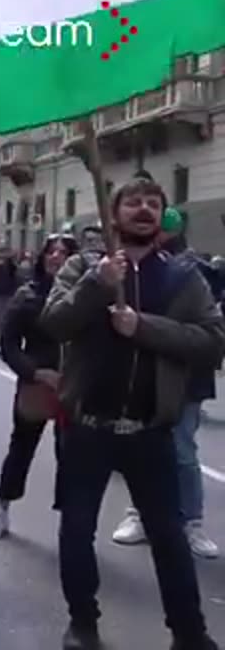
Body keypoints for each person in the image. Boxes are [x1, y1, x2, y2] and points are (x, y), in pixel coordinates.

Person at [41, 177, 224, 650]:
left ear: (162, 215)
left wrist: (143, 327)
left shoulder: (185, 278)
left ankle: (189, 633)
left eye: (153, 203)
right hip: (87, 427)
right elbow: (55, 322)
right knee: (78, 529)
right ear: (114, 213)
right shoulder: (84, 266)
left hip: (151, 431)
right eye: (133, 202)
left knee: (168, 537)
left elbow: (211, 341)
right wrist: (97, 285)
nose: (143, 209)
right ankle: (83, 622)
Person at [111, 207, 221, 559]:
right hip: (144, 375)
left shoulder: (193, 270)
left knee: (183, 450)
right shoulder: (129, 265)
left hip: (184, 376)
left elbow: (210, 333)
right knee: (139, 447)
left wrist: (145, 327)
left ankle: (191, 521)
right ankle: (139, 514)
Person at [0, 234, 79, 541]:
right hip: (37, 384)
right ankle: (2, 508)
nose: (56, 257)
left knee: (72, 455)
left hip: (75, 387)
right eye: (51, 252)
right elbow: (8, 344)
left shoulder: (86, 296)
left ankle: (71, 522)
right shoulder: (28, 295)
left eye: (63, 252)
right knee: (21, 447)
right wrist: (35, 372)